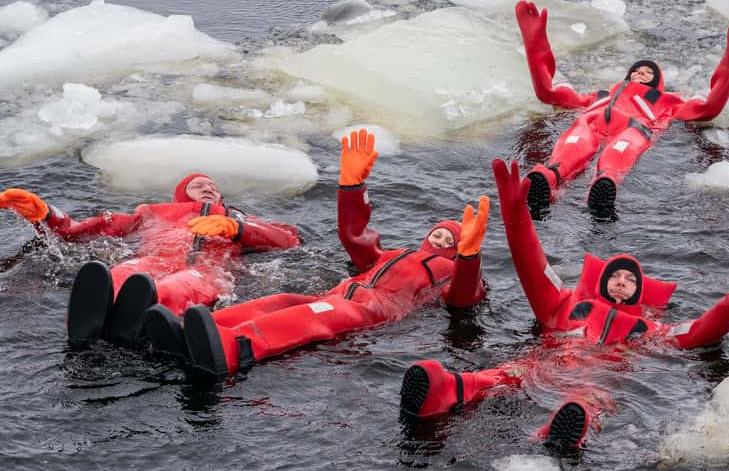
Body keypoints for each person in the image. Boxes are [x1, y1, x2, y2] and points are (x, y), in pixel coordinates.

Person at [398, 158, 729, 450]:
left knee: (586, 404)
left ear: (640, 293)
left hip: (597, 380)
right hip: (545, 363)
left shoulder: (652, 330)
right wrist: (516, 216)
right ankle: (444, 388)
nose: (621, 281)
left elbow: (699, 331)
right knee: (505, 375)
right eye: (615, 275)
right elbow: (534, 266)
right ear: (600, 281)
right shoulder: (563, 305)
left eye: (630, 279)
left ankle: (564, 430)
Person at [144, 129, 490, 378]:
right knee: (281, 301)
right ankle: (198, 328)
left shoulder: (450, 273)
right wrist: (352, 187)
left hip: (371, 311)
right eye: (439, 234)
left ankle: (236, 347)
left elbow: (464, 298)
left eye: (452, 240)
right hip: (343, 293)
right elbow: (356, 238)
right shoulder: (396, 254)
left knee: (313, 315)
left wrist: (471, 256)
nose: (443, 240)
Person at [513, 0, 729, 219]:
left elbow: (708, 108)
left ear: (657, 81)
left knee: (616, 157)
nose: (640, 73)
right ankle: (547, 180)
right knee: (566, 155)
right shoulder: (600, 95)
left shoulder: (669, 101)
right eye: (636, 70)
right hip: (589, 123)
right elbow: (548, 93)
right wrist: (534, 44)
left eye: (648, 72)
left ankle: (604, 186)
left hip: (634, 129)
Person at [0, 174, 301, 346]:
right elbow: (85, 229)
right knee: (121, 272)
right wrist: (47, 214)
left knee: (178, 286)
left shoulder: (236, 217)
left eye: (214, 186)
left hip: (203, 270)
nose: (209, 188)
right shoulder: (151, 212)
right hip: (152, 260)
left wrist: (239, 229)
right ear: (180, 195)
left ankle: (138, 317)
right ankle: (86, 321)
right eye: (199, 186)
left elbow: (288, 238)